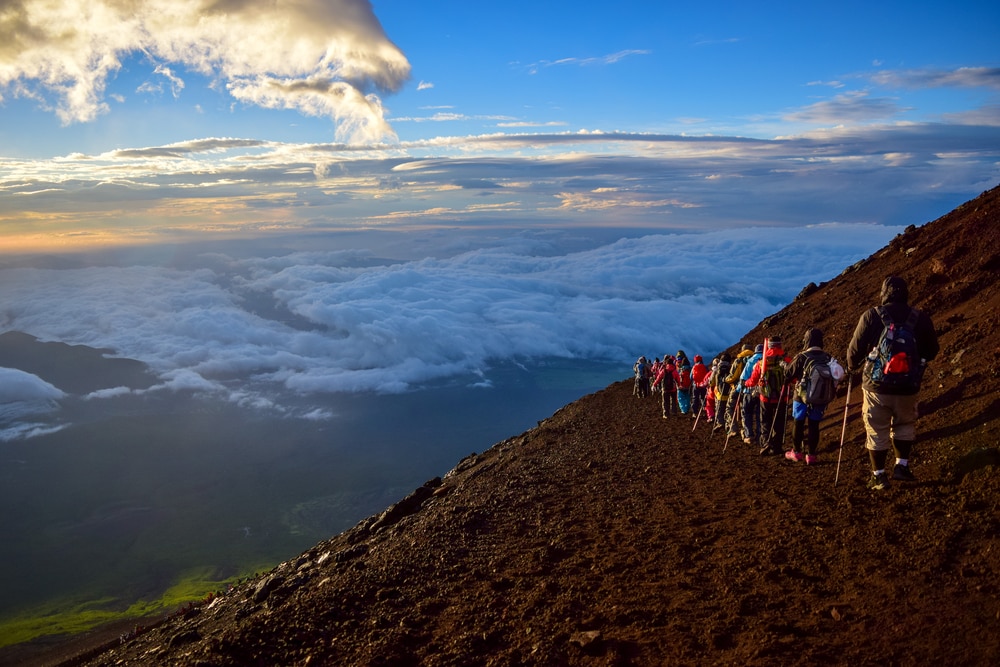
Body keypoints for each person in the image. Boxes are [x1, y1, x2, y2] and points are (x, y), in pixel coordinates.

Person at [847, 276, 939, 490]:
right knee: (904, 424)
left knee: (876, 428)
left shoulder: (871, 316)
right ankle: (902, 467)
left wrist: (853, 366)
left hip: (877, 386)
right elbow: (932, 350)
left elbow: (854, 352)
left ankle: (879, 476)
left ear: (883, 293)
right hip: (908, 385)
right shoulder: (919, 317)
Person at [783, 328, 834, 464]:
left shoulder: (802, 357)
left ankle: (796, 452)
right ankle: (811, 455)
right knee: (814, 425)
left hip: (801, 396)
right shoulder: (827, 357)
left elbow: (787, 374)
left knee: (798, 422)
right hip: (820, 397)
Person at [746, 336, 789, 456]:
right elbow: (793, 377)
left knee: (765, 421)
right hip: (782, 397)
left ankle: (765, 443)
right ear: (779, 345)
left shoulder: (762, 362)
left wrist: (746, 383)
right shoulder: (786, 359)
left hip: (765, 397)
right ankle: (777, 446)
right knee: (779, 422)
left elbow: (753, 381)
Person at [739, 343, 764, 444]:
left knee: (747, 413)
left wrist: (740, 389)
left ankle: (749, 435)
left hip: (749, 391)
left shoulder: (750, 361)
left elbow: (743, 378)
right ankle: (760, 435)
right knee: (759, 414)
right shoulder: (766, 361)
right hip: (761, 393)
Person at [711, 353, 733, 433]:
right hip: (729, 394)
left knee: (719, 409)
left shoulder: (717, 369)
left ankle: (720, 422)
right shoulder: (731, 368)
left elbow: (711, 382)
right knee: (728, 410)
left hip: (719, 394)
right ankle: (728, 425)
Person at [675, 351, 693, 415]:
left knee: (680, 398)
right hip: (688, 386)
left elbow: (678, 377)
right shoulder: (690, 369)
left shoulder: (680, 369)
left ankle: (684, 409)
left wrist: (678, 384)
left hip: (681, 386)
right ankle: (687, 408)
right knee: (687, 397)